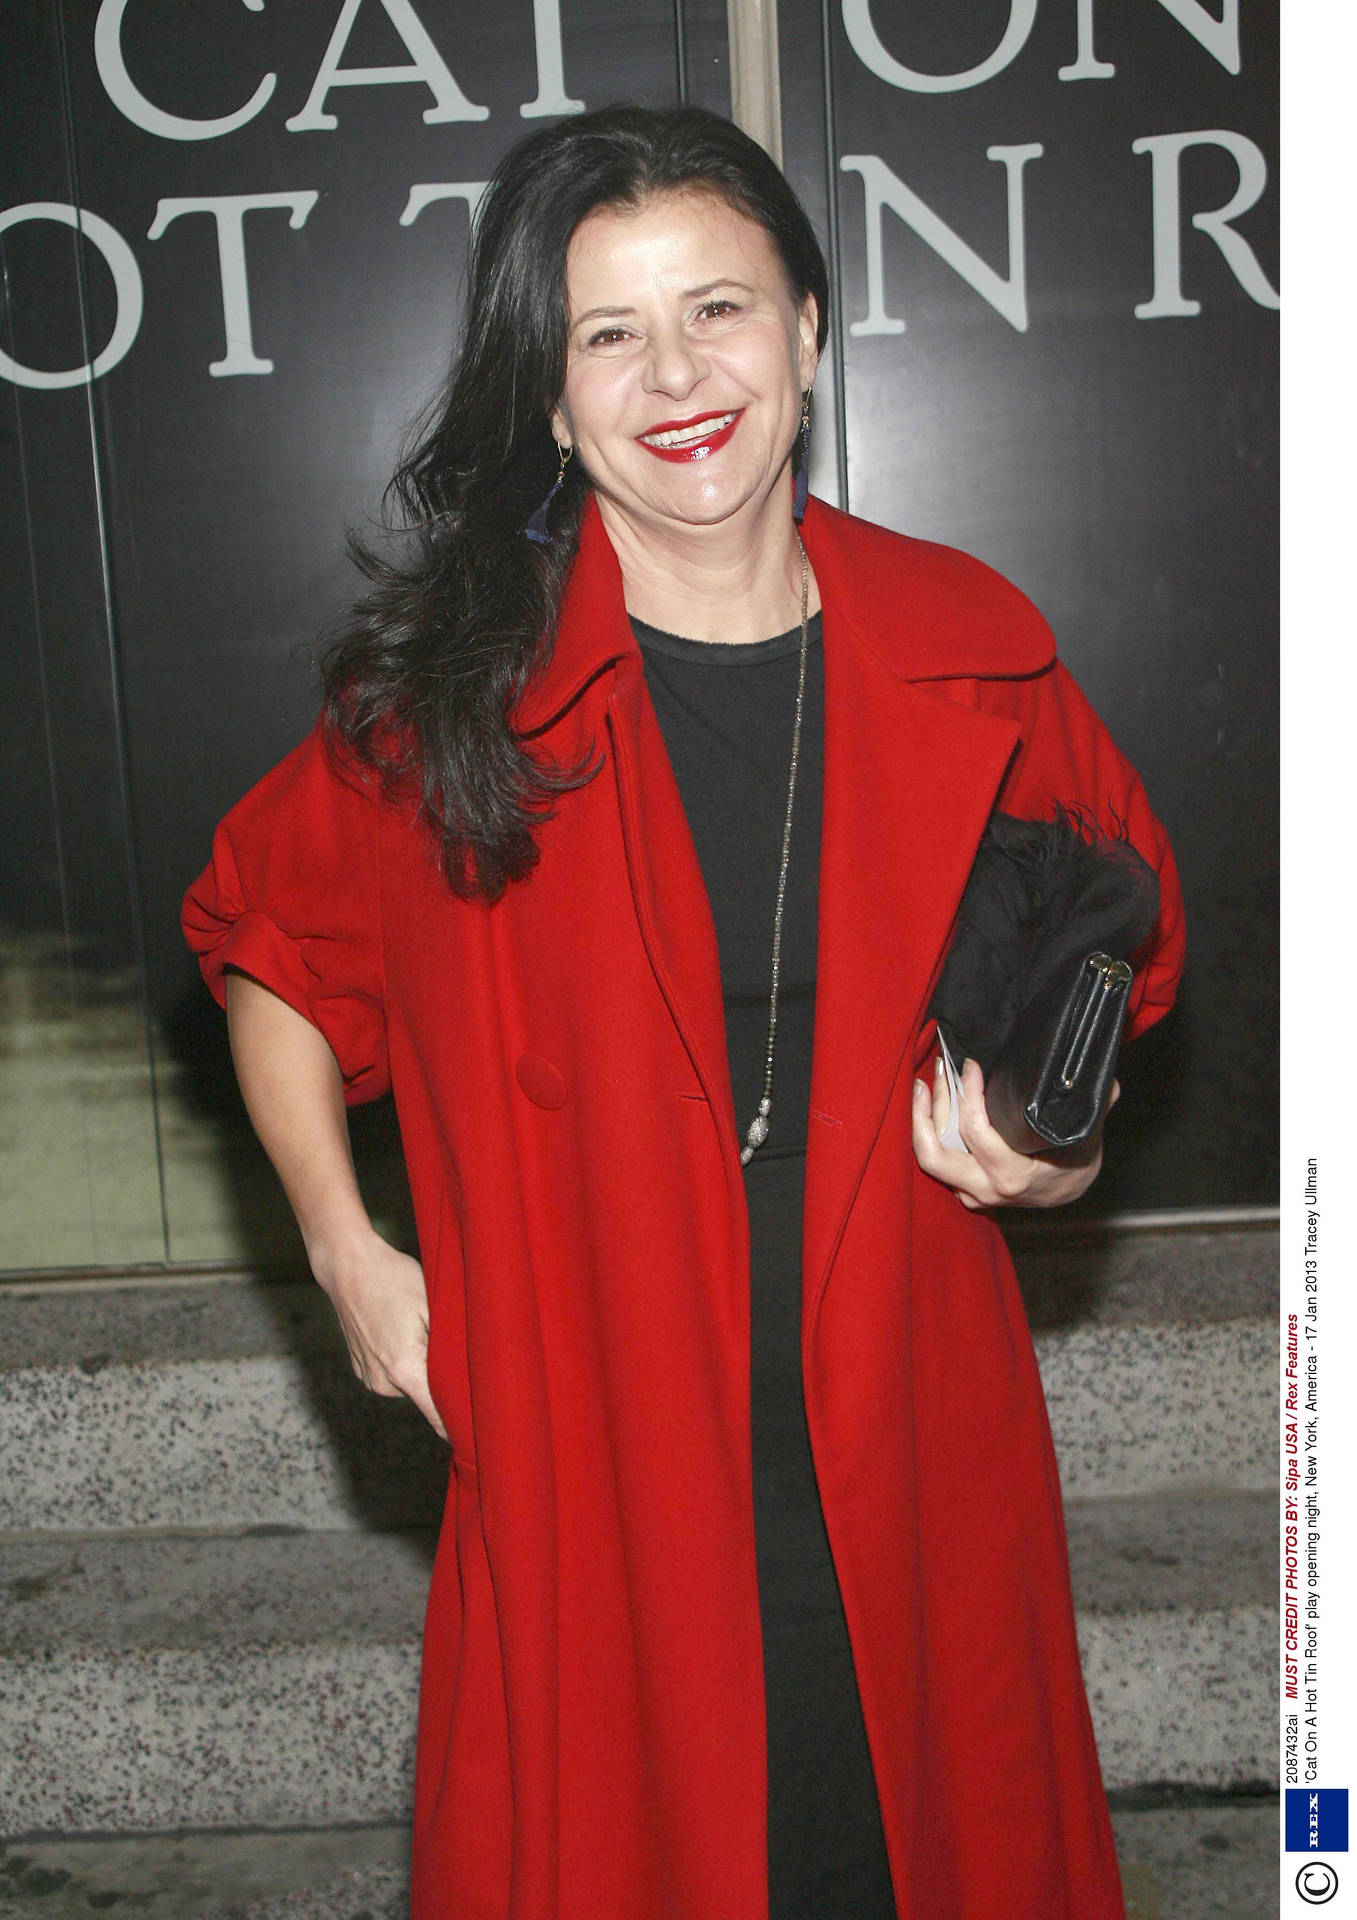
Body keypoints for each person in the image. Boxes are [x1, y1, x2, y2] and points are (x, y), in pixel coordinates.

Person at [183, 104, 1184, 1920]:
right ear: (552, 401)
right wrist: (347, 1254)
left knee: (912, 1856)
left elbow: (1104, 955)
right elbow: (273, 954)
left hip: (905, 1400)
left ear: (808, 326)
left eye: (718, 309)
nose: (677, 376)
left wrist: (1061, 1146)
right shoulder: (450, 707)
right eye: (608, 335)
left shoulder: (972, 645)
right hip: (594, 1418)